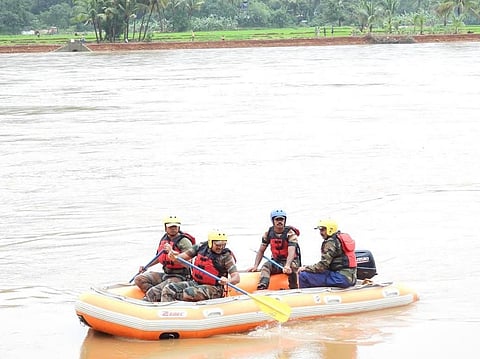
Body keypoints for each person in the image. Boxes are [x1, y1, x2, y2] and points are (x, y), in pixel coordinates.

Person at [161, 229, 240, 302]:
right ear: (210, 242)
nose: (221, 247)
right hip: (196, 283)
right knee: (168, 289)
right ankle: (167, 312)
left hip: (215, 288)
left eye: (223, 244)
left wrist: (228, 281)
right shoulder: (200, 247)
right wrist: (174, 257)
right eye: (218, 245)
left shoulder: (226, 256)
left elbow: (236, 278)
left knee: (189, 293)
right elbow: (182, 257)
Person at [134, 216, 195, 302]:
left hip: (181, 277)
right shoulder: (164, 239)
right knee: (139, 279)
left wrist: (172, 253)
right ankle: (157, 295)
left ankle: (155, 295)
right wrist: (146, 266)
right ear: (165, 228)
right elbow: (159, 258)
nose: (173, 229)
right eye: (170, 227)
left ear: (178, 227)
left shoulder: (184, 241)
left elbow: (189, 263)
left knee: (153, 291)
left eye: (175, 227)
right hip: (166, 274)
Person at [247, 209, 301, 290]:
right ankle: (263, 286)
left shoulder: (290, 234)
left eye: (282, 219)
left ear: (285, 220)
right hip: (276, 261)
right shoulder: (268, 233)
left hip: (290, 261)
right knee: (266, 266)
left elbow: (291, 251)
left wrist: (287, 265)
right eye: (277, 219)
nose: (279, 222)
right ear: (273, 221)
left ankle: (294, 288)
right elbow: (261, 250)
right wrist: (255, 266)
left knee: (292, 268)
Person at [297, 219, 357, 288]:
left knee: (303, 275)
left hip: (340, 278)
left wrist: (305, 268)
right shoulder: (339, 239)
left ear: (330, 229)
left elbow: (322, 266)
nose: (320, 233)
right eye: (320, 230)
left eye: (322, 230)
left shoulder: (330, 242)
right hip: (351, 277)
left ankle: (306, 297)